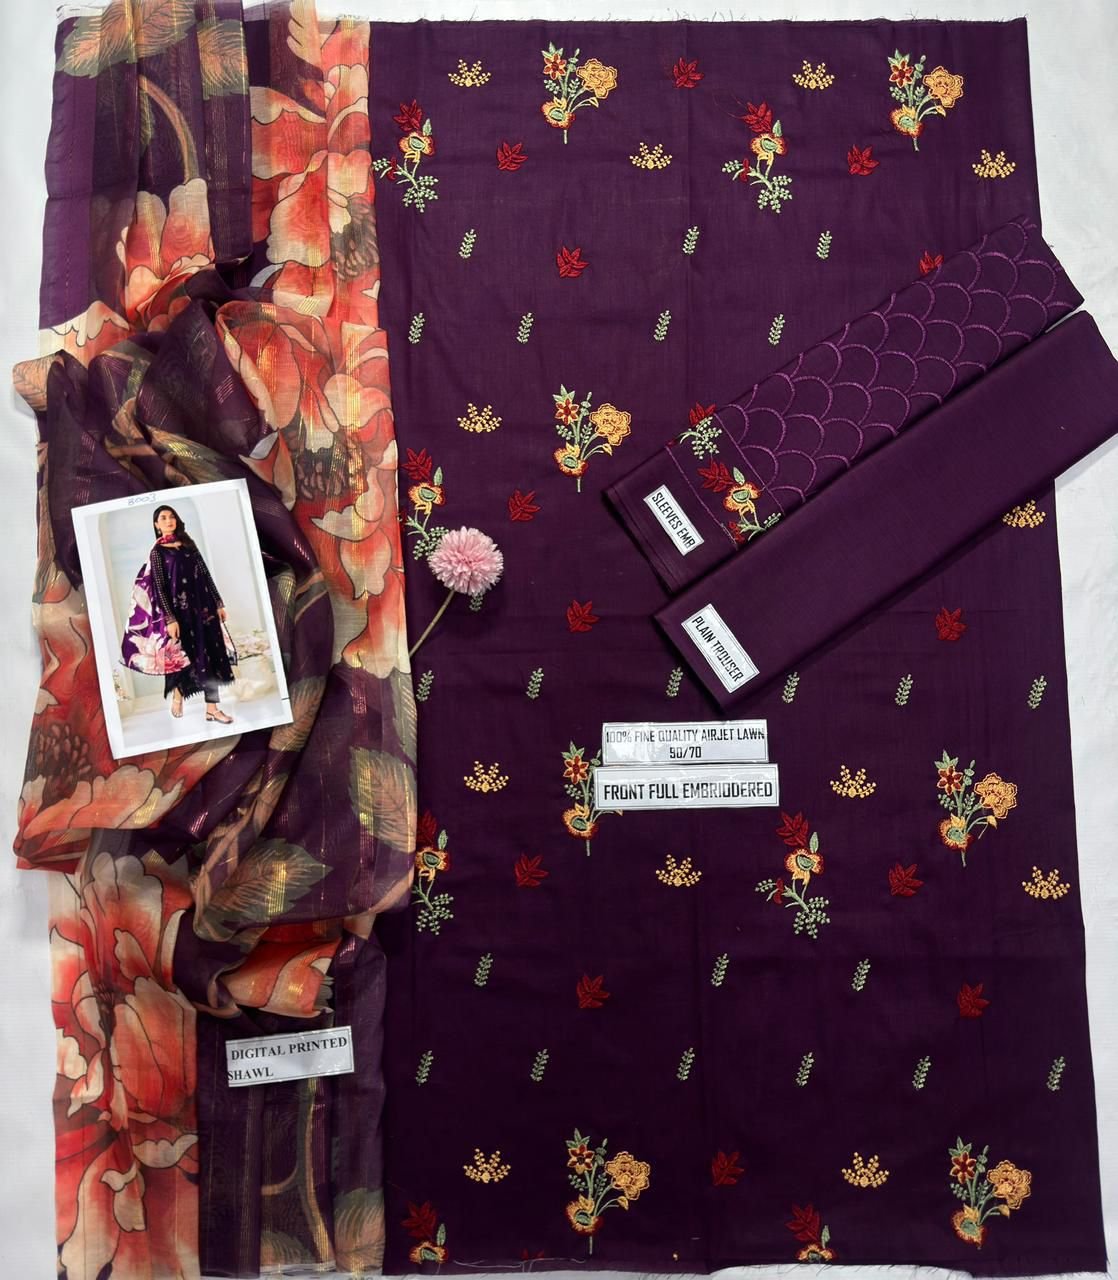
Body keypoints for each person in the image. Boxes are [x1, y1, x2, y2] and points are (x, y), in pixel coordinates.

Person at [144, 504, 237, 723]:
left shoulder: (188, 544)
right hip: (180, 613)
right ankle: (179, 693)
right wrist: (170, 618)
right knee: (184, 656)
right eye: (163, 518)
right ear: (157, 525)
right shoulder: (157, 552)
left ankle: (212, 709)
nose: (169, 521)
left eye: (172, 517)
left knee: (211, 654)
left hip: (204, 609)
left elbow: (205, 573)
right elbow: (159, 588)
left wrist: (218, 603)